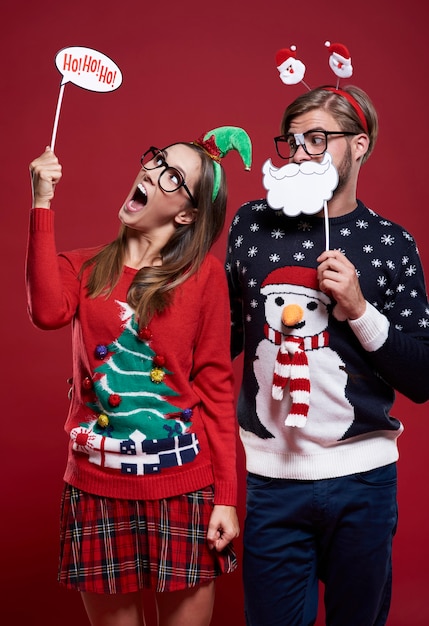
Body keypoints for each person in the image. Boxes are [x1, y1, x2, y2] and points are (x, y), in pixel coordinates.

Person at [26, 125, 251, 626]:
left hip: (184, 490)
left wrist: (227, 499)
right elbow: (46, 311)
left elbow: (216, 388)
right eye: (156, 161)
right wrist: (42, 203)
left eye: (173, 177)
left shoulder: (205, 276)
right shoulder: (83, 268)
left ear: (188, 213)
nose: (152, 172)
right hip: (96, 489)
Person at [226, 85, 429, 625]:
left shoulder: (390, 243)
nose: (300, 154)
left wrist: (360, 308)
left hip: (364, 481)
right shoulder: (251, 225)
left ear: (358, 145)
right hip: (273, 481)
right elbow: (220, 337)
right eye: (291, 142)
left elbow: (422, 377)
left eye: (317, 139)